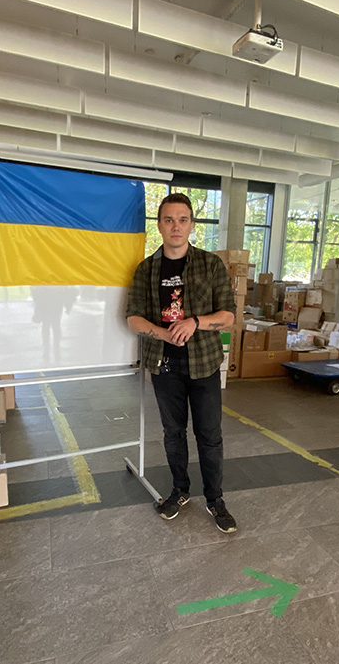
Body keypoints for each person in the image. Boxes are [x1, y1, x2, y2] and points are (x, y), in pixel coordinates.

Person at [125, 193, 238, 533]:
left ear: (192, 224)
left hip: (203, 363)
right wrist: (162, 333)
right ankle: (180, 490)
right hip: (164, 366)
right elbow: (132, 318)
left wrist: (195, 322)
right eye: (169, 219)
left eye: (183, 219)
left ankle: (215, 499)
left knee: (209, 435)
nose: (176, 226)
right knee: (173, 434)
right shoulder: (146, 270)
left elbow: (229, 316)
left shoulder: (210, 265)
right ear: (159, 225)